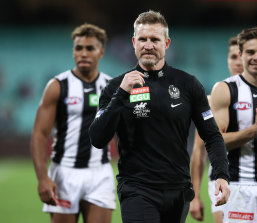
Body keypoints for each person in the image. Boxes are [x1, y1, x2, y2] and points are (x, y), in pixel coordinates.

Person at [89, 10, 230, 223]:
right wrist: (121, 94)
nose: (148, 45)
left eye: (155, 39)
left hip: (178, 191)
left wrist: (221, 174)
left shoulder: (188, 84)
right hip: (136, 189)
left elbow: (211, 135)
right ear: (134, 42)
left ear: (167, 43)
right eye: (143, 39)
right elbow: (97, 138)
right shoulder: (114, 87)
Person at [190, 36, 257, 223]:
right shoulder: (214, 100)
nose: (238, 62)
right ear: (229, 60)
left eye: (240, 57)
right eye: (233, 57)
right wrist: (195, 195)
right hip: (225, 180)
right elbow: (199, 150)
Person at [30, 23, 116, 223]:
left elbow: (124, 133)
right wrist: (43, 178)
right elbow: (39, 134)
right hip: (65, 173)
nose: (83, 53)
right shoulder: (57, 86)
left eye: (90, 48)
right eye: (79, 48)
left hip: (100, 173)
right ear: (73, 51)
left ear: (101, 52)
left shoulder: (111, 87)